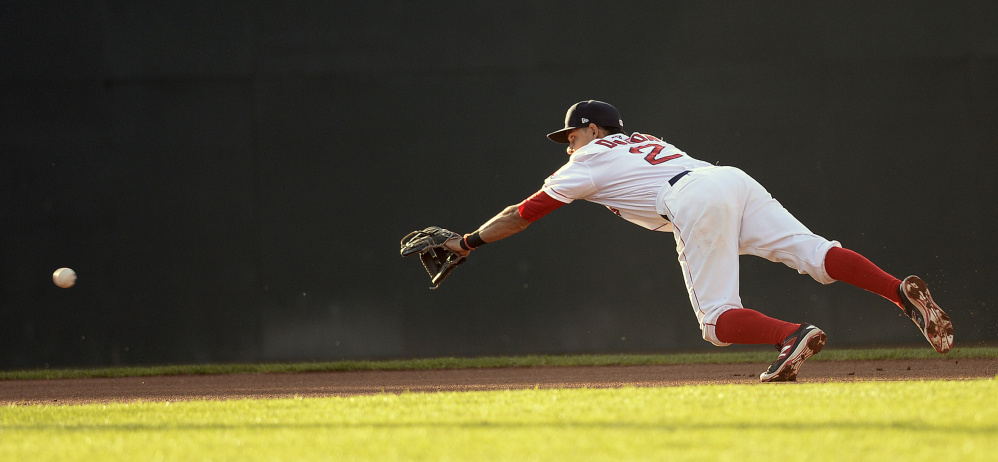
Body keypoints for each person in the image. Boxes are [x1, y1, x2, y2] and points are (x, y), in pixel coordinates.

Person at [444, 100, 954, 382]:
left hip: (692, 198)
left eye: (571, 134)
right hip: (727, 179)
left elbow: (521, 214)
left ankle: (791, 335)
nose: (568, 143)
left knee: (716, 323)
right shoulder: (645, 141)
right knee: (815, 252)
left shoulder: (589, 159)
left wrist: (467, 241)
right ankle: (898, 293)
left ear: (594, 129)